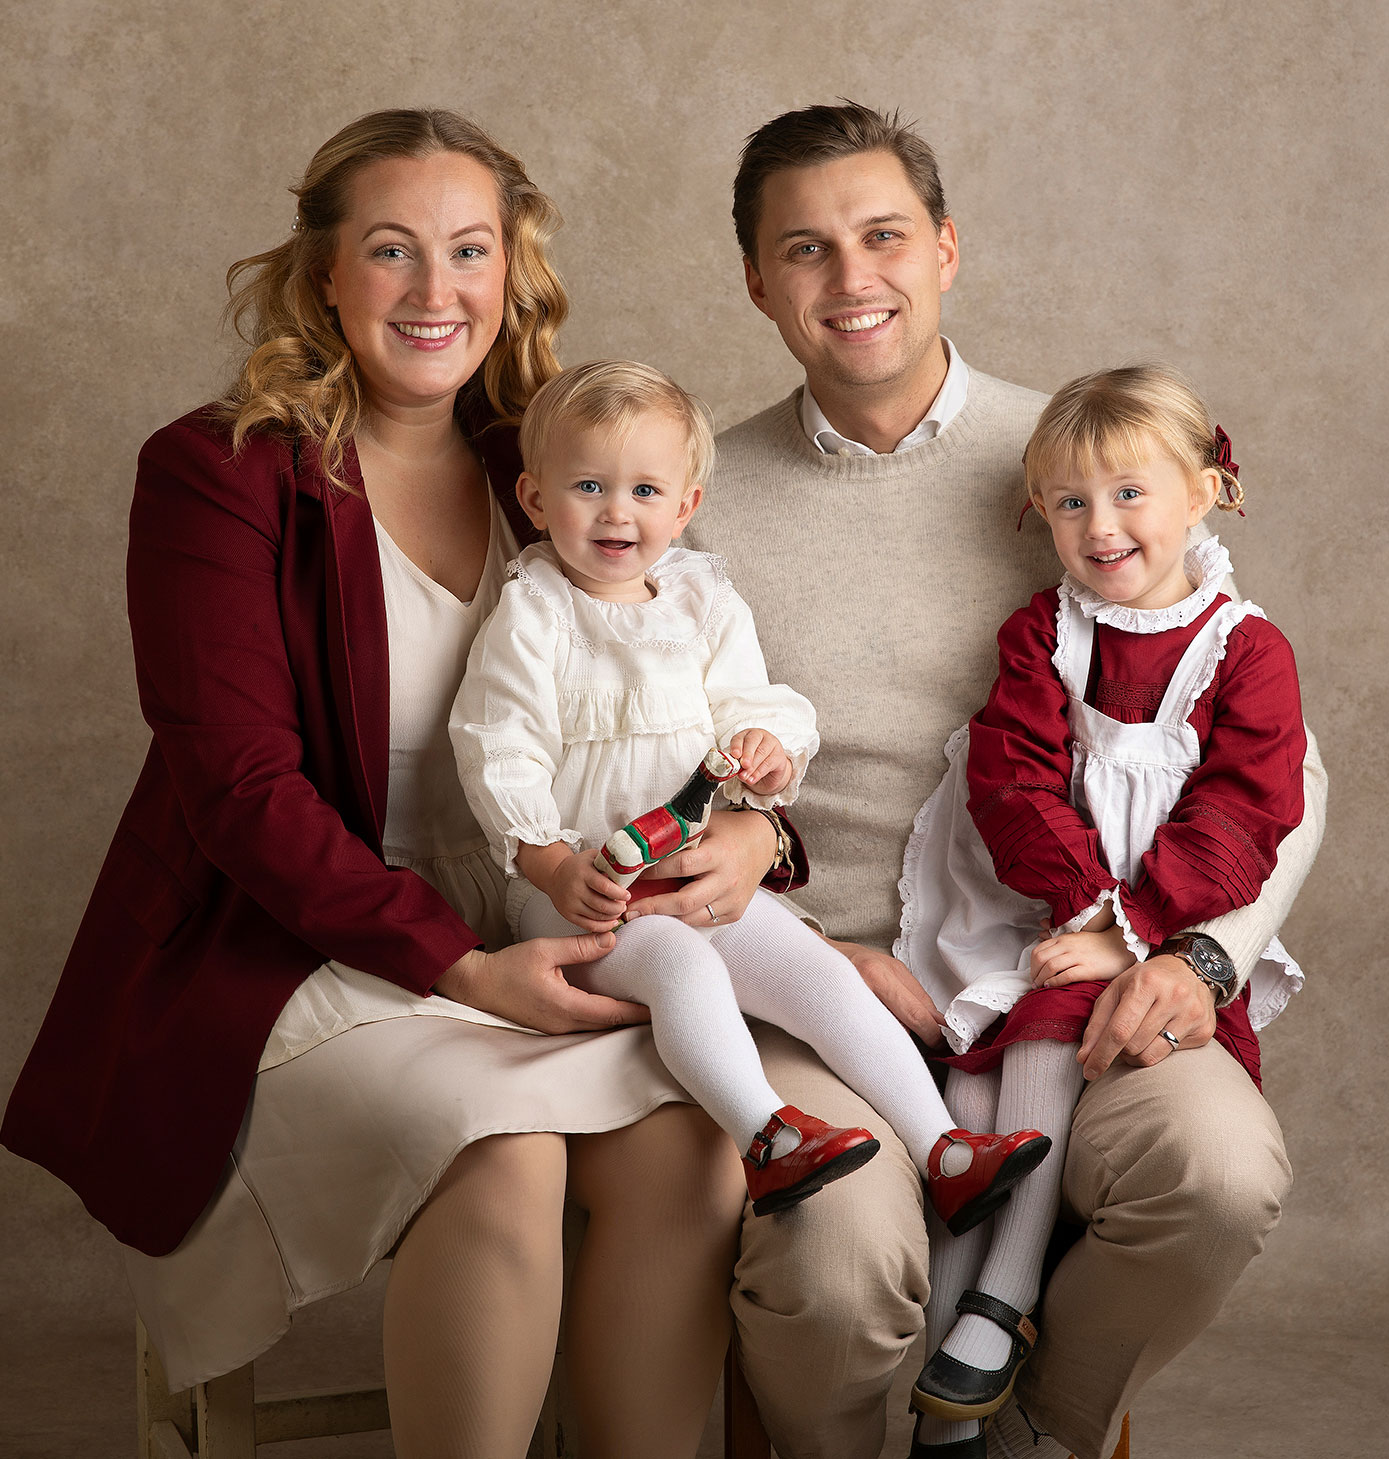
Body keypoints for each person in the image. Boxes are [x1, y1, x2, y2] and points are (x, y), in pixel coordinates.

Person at [0, 110, 758, 1459]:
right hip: (295, 940)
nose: (433, 289)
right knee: (506, 1142)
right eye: (392, 250)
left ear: (510, 273)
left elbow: (691, 704)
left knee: (690, 1146)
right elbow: (238, 790)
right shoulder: (219, 473)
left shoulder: (559, 467)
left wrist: (752, 832)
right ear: (326, 276)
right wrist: (460, 967)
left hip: (540, 914)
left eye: (469, 250)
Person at [678, 102, 1328, 1459]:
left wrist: (1195, 954)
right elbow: (650, 766)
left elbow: (1279, 764)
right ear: (755, 283)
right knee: (836, 1252)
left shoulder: (1086, 461)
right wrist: (798, 950)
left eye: (883, 235)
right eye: (805, 249)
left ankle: (1032, 1421)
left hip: (1077, 956)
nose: (852, 278)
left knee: (1213, 1175)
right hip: (827, 983)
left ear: (948, 248)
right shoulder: (693, 495)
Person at [448, 357, 1051, 1228]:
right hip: (585, 892)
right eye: (589, 486)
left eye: (646, 490)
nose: (619, 512)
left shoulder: (701, 597)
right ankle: (766, 1136)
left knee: (813, 968)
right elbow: (497, 747)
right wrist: (548, 864)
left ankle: (944, 1147)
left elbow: (752, 702)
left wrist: (767, 750)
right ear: (537, 501)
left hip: (690, 870)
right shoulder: (534, 614)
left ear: (686, 506)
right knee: (681, 963)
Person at [896, 365, 1309, 1455]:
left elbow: (1243, 813)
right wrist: (1080, 914)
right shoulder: (1044, 633)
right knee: (982, 1085)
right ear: (1041, 515)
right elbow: (1011, 780)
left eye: (1130, 493)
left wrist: (1127, 932)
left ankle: (1003, 1295)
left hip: (1169, 930)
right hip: (1034, 906)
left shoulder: (1245, 650)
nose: (1101, 524)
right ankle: (950, 1350)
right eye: (1071, 502)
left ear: (1203, 492)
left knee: (1069, 1044)